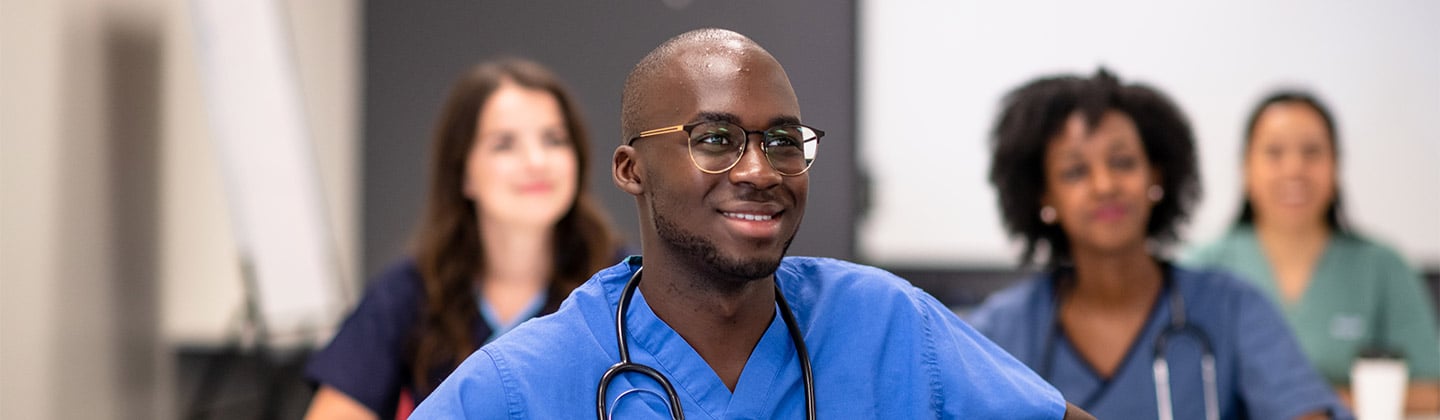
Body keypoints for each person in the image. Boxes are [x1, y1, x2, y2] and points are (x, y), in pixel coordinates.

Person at [412, 28, 1090, 419]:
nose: (760, 170)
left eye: (784, 142)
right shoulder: (525, 383)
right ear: (631, 169)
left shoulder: (885, 325)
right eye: (714, 139)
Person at [967, 69, 1350, 419]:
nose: (1105, 186)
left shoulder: (1232, 307)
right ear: (1043, 197)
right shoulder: (1003, 329)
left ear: (1157, 176)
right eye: (1075, 171)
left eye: (1122, 162)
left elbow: (1306, 411)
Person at [303, 58, 621, 419]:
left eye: (554, 140)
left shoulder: (625, 289)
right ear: (463, 173)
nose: (536, 161)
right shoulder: (409, 294)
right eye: (504, 144)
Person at [1185, 90, 1440, 414]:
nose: (1294, 168)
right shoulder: (1202, 270)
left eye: (1312, 152)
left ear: (1336, 166)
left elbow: (1433, 389)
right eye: (1274, 153)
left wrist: (1317, 404)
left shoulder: (1383, 267)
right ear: (1246, 168)